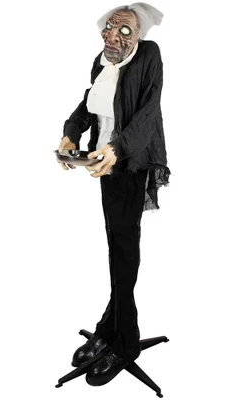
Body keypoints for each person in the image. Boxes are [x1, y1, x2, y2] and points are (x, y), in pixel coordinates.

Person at [56, 2, 170, 386]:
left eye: (125, 30)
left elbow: (148, 111)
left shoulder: (148, 56)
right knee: (115, 245)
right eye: (110, 27)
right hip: (101, 163)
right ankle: (109, 327)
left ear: (138, 35)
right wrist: (71, 133)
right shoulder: (100, 62)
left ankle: (125, 343)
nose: (114, 36)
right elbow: (90, 101)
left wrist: (118, 149)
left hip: (130, 163)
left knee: (124, 249)